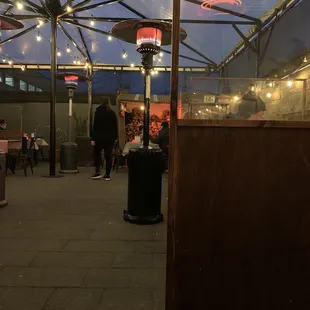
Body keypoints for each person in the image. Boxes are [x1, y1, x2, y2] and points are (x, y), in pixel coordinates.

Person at [91, 97, 118, 181]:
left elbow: (95, 126)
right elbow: (115, 126)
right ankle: (107, 175)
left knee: (97, 155)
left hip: (99, 138)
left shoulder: (98, 112)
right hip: (109, 139)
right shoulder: (112, 113)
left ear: (100, 102)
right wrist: (115, 137)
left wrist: (93, 138)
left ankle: (97, 172)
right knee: (108, 156)